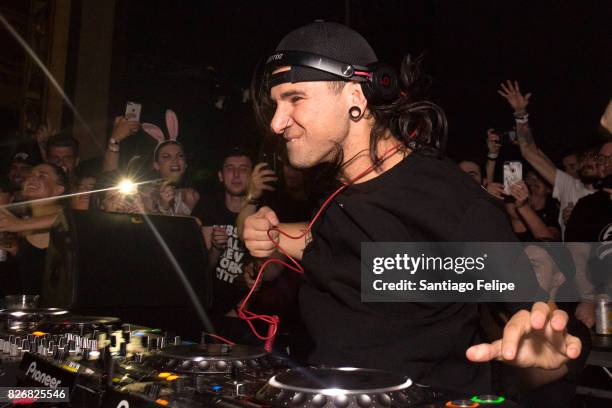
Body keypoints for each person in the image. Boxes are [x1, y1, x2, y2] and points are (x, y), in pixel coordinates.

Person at [243, 21, 583, 395]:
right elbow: (339, 248)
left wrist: (542, 354)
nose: (277, 122)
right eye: (276, 103)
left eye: (295, 98)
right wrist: (265, 231)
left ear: (355, 97)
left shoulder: (456, 205)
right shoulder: (334, 194)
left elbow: (540, 341)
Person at [192, 147, 260, 342]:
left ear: (252, 176)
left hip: (250, 313)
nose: (237, 175)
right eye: (230, 168)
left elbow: (268, 273)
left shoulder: (262, 211)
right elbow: (202, 270)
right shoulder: (207, 207)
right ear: (221, 176)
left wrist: (242, 309)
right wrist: (215, 248)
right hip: (210, 310)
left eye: (243, 169)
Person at [104, 110, 199, 215]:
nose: (175, 160)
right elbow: (109, 176)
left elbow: (185, 228)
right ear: (156, 165)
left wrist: (163, 208)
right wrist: (115, 139)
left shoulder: (190, 195)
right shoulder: (143, 190)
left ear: (185, 164)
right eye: (166, 156)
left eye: (180, 155)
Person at [0, 163, 68, 294]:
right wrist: (15, 250)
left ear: (58, 189)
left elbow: (70, 218)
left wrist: (18, 225)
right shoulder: (24, 222)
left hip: (55, 310)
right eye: (30, 175)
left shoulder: (63, 217)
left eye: (42, 176)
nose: (31, 179)